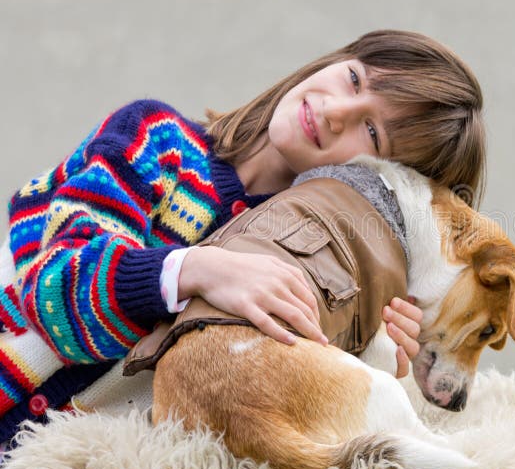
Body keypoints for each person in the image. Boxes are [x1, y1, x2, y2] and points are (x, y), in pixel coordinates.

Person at [0, 29, 486, 440]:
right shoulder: (158, 139)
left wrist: (370, 357)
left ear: (387, 183)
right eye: (354, 78)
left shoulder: (322, 272)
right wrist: (198, 269)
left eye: (373, 133)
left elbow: (256, 416)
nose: (336, 110)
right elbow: (54, 294)